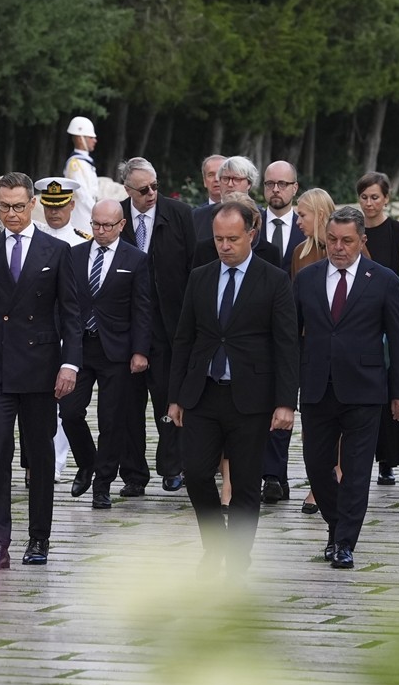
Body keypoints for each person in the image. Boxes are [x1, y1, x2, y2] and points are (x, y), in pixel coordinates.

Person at [168, 199, 298, 578]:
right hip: (203, 392)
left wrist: (285, 402)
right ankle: (214, 545)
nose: (224, 246)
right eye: (218, 239)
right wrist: (175, 397)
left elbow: (287, 344)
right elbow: (184, 338)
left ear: (251, 236)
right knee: (194, 473)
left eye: (232, 239)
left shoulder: (274, 279)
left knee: (244, 481)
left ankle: (239, 555)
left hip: (251, 398)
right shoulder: (201, 276)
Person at [0, 172, 82, 570]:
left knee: (40, 456)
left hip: (41, 366)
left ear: (33, 204)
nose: (10, 214)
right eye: (3, 206)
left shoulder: (56, 251)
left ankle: (39, 539)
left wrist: (69, 362)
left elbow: (72, 315)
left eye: (17, 206)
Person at [293, 207, 399, 569]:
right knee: (316, 466)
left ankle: (344, 542)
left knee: (358, 471)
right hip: (317, 387)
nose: (338, 247)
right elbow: (291, 338)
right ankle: (335, 524)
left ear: (362, 241)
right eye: (332, 240)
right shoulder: (307, 278)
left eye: (346, 241)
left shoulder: (384, 279)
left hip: (364, 388)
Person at [59, 199, 152, 509]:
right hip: (80, 346)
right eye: (96, 224)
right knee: (70, 411)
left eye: (107, 225)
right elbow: (66, 304)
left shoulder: (136, 259)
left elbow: (142, 309)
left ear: (121, 225)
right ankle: (87, 463)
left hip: (117, 349)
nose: (100, 230)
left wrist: (140, 351)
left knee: (111, 420)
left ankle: (102, 484)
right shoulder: (74, 254)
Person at [119, 157, 196, 493]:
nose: (151, 193)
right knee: (127, 408)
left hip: (169, 328)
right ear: (127, 190)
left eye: (155, 186)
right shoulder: (116, 216)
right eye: (143, 189)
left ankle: (172, 466)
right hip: (125, 330)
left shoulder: (179, 215)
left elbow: (194, 269)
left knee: (169, 402)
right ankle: (134, 475)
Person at [356, 172, 399, 485]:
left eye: (375, 197)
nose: (369, 203)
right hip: (361, 320)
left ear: (386, 199)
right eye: (365, 197)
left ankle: (388, 460)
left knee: (393, 388)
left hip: (391, 317)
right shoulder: (354, 231)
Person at [34, 176, 91, 482]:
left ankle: (56, 462)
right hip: (37, 328)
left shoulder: (83, 241)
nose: (54, 212)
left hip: (67, 328)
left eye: (60, 206)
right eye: (48, 206)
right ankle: (38, 459)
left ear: (71, 204)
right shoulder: (34, 238)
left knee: (64, 400)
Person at [290, 186, 337, 514]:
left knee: (345, 413)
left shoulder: (349, 249)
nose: (297, 223)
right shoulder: (300, 254)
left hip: (345, 347)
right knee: (313, 418)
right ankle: (317, 480)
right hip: (310, 347)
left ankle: (340, 473)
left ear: (320, 215)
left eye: (302, 216)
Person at [193, 155, 258, 244]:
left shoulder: (261, 216)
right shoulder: (198, 216)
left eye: (236, 179)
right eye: (225, 179)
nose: (230, 184)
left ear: (249, 184)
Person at [263, 161, 305, 269]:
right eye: (270, 184)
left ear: (295, 188)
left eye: (282, 184)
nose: (275, 189)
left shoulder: (305, 230)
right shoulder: (252, 226)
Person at [63, 116, 100, 233]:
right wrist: (98, 212)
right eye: (91, 137)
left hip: (90, 216)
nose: (95, 140)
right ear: (80, 139)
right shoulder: (75, 164)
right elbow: (83, 194)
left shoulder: (85, 162)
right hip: (81, 219)